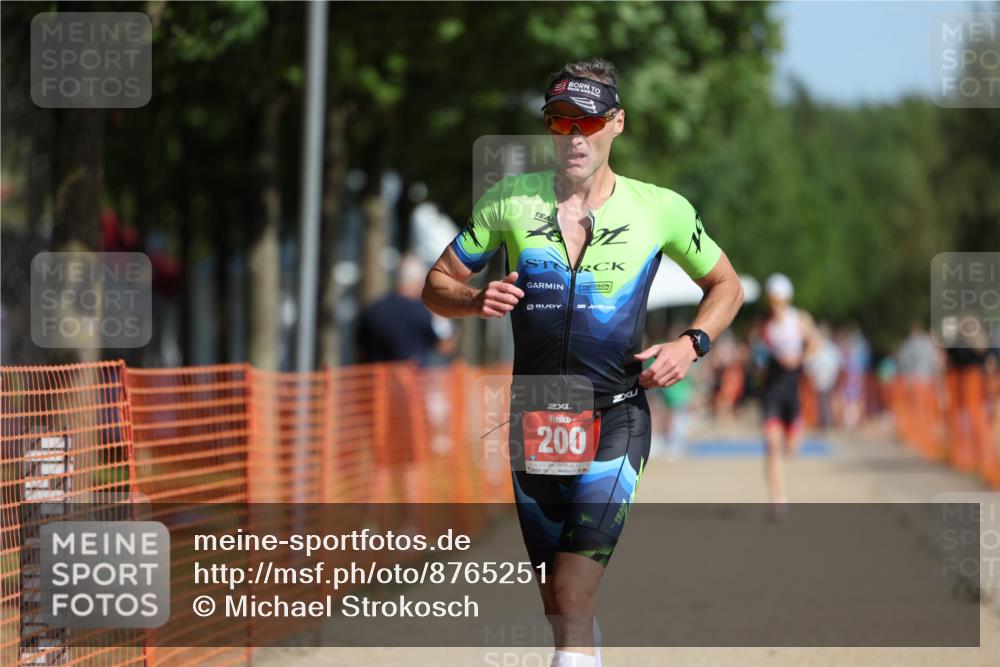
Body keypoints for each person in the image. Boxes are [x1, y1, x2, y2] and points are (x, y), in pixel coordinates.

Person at [422, 58, 743, 667]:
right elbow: (436, 283)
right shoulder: (509, 202)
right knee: (558, 603)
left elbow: (727, 285)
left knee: (571, 593)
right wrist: (472, 297)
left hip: (616, 418)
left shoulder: (661, 209)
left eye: (587, 121)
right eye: (559, 120)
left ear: (616, 123)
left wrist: (690, 344)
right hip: (535, 423)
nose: (572, 135)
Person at [754, 273, 820, 519]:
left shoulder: (800, 320)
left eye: (779, 299)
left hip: (793, 389)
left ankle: (795, 429)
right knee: (772, 446)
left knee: (791, 449)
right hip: (772, 389)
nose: (775, 305)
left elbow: (816, 343)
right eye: (772, 300)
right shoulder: (764, 325)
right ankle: (778, 499)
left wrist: (800, 360)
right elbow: (758, 356)